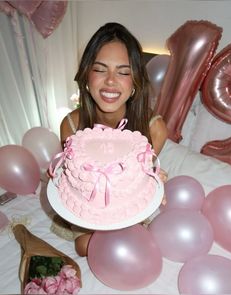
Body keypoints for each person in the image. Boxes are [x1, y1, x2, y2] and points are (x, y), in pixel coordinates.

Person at [59, 22, 168, 257]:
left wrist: (153, 177)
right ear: (87, 74)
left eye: (123, 72)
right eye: (100, 69)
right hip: (86, 205)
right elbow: (76, 181)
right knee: (83, 246)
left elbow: (135, 184)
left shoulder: (155, 129)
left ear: (135, 82)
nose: (110, 81)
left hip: (126, 205)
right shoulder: (69, 126)